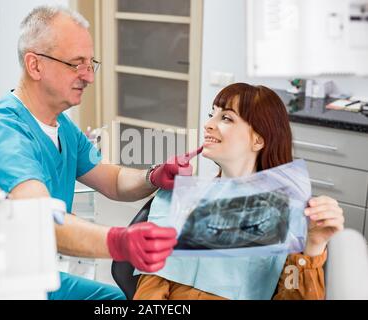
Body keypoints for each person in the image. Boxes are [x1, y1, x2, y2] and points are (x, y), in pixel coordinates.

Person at [0, 5, 200, 300]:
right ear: (35, 65)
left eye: (91, 64)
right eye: (76, 64)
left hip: (30, 276)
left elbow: (112, 181)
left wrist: (153, 176)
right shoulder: (0, 132)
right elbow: (40, 221)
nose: (88, 76)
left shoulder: (60, 125)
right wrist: (120, 242)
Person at [133, 83, 345, 300]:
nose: (208, 125)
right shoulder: (182, 200)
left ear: (258, 139)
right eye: (211, 114)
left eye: (226, 118)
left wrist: (314, 245)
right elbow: (151, 287)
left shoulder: (289, 216)